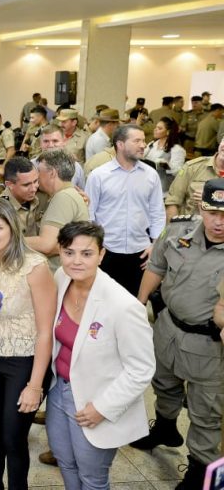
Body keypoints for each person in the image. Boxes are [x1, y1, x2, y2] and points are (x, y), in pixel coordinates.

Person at [42, 220, 156, 489]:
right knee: (65, 461)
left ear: (102, 254)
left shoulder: (123, 305)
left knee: (92, 478)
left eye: (87, 253)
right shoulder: (61, 279)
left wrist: (102, 408)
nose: (76, 261)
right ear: (59, 252)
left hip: (96, 401)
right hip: (61, 391)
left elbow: (141, 369)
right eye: (69, 252)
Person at [132, 179, 224, 490]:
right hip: (168, 327)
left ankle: (200, 468)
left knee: (206, 409)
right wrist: (138, 305)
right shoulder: (178, 230)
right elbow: (156, 266)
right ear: (201, 207)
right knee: (163, 382)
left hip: (208, 345)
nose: (219, 222)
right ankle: (166, 428)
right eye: (213, 213)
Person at [0, 198, 56, 490]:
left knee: (13, 435)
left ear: (13, 229)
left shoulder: (35, 267)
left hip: (24, 360)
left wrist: (35, 385)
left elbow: (46, 332)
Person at [85, 124, 165, 295]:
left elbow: (157, 213)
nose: (143, 145)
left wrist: (155, 246)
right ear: (120, 144)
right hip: (107, 252)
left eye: (143, 140)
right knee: (103, 303)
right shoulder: (98, 176)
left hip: (141, 254)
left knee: (135, 305)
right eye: (137, 141)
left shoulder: (151, 175)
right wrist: (93, 248)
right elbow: (89, 216)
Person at [27, 149, 89, 271]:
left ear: (52, 173)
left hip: (58, 273)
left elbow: (46, 244)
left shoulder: (63, 197)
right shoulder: (66, 195)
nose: (37, 176)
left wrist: (9, 240)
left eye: (39, 171)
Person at [164, 138, 224, 220]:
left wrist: (212, 197)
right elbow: (173, 201)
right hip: (190, 228)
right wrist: (174, 230)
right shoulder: (192, 168)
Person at [0, 157, 47, 237]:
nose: (33, 189)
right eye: (26, 185)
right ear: (9, 185)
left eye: (36, 181)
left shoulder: (44, 196)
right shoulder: (0, 210)